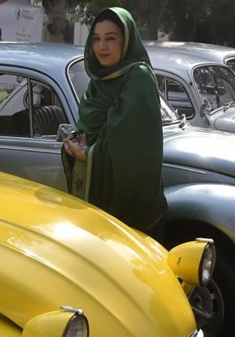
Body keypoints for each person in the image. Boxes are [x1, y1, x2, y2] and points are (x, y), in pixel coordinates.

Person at [62, 7, 167, 241]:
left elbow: (131, 147)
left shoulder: (138, 78)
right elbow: (95, 128)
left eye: (110, 39)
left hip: (130, 204)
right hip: (96, 197)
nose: (101, 46)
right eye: (96, 39)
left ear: (127, 40)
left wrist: (88, 154)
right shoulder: (101, 79)